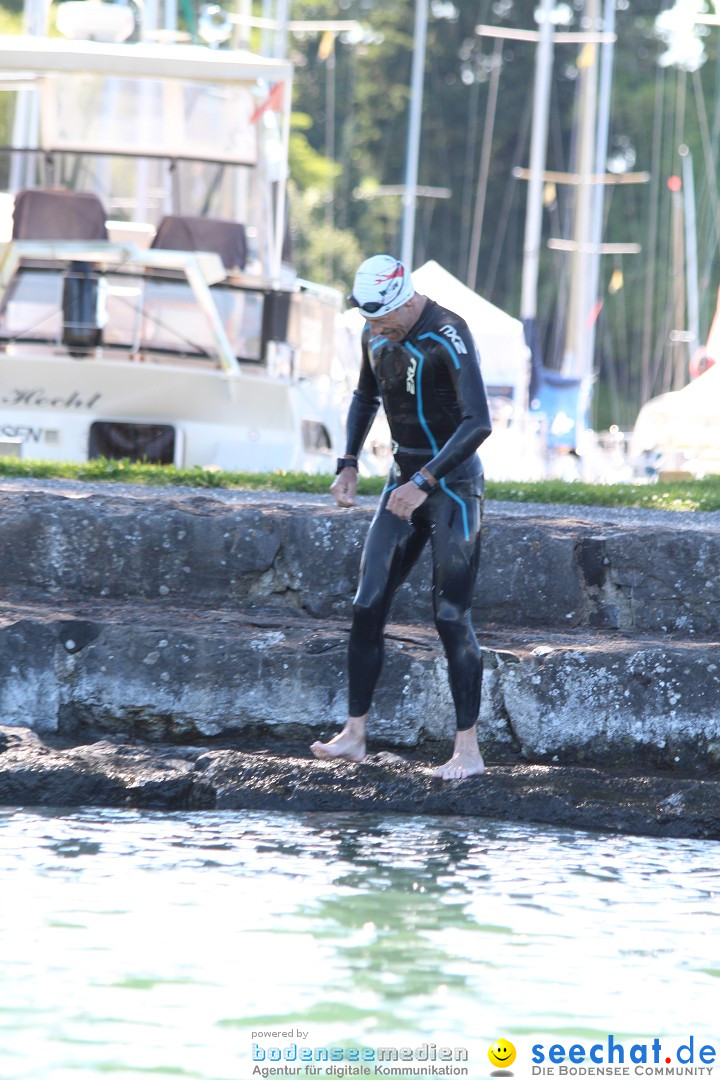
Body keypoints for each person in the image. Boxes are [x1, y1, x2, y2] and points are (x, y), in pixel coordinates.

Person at [310, 254, 492, 780]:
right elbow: (366, 396)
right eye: (368, 321)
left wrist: (424, 483)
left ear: (406, 299)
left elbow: (478, 422)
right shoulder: (375, 333)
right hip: (402, 479)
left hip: (452, 487)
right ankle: (354, 735)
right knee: (367, 603)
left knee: (451, 615)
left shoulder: (449, 334)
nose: (376, 331)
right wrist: (347, 462)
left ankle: (468, 752)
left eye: (383, 319)